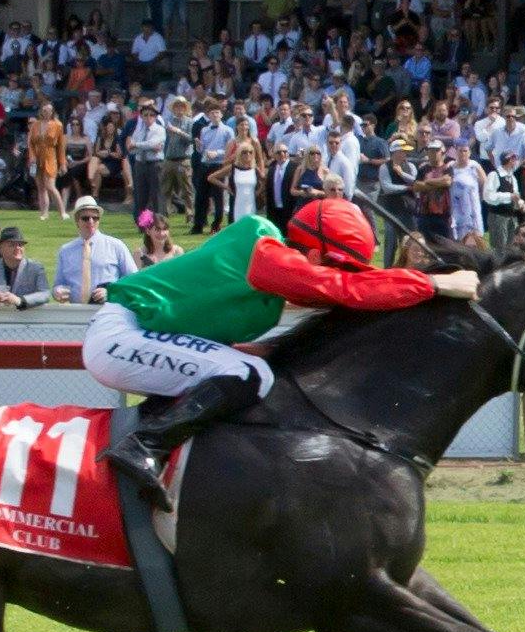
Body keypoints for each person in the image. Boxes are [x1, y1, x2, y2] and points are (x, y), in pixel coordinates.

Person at [78, 161, 475, 464]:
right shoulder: (264, 248)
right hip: (121, 334)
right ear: (316, 254)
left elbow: (351, 288)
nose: (341, 275)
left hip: (139, 333)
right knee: (249, 374)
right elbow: (344, 288)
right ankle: (142, 448)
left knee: (251, 367)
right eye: (340, 265)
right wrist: (435, 283)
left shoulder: (270, 273)